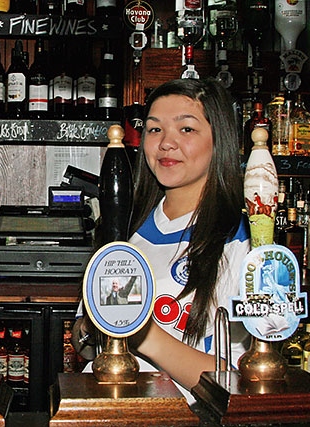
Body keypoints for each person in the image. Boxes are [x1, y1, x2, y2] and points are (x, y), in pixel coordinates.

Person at [74, 78, 251, 400]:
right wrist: (89, 326)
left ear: (219, 140)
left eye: (186, 129)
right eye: (154, 130)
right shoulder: (124, 228)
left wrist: (141, 333)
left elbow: (238, 382)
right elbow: (83, 346)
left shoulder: (240, 242)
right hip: (100, 407)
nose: (166, 143)